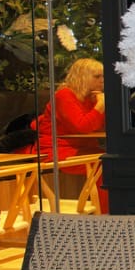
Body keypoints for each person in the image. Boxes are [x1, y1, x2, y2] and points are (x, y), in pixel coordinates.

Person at [29, 58, 107, 209]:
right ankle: (106, 215)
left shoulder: (93, 98)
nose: (102, 80)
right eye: (97, 76)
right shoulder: (64, 95)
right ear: (82, 77)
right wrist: (100, 106)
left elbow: (102, 127)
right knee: (106, 165)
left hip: (84, 148)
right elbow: (83, 126)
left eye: (103, 76)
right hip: (58, 150)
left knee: (116, 159)